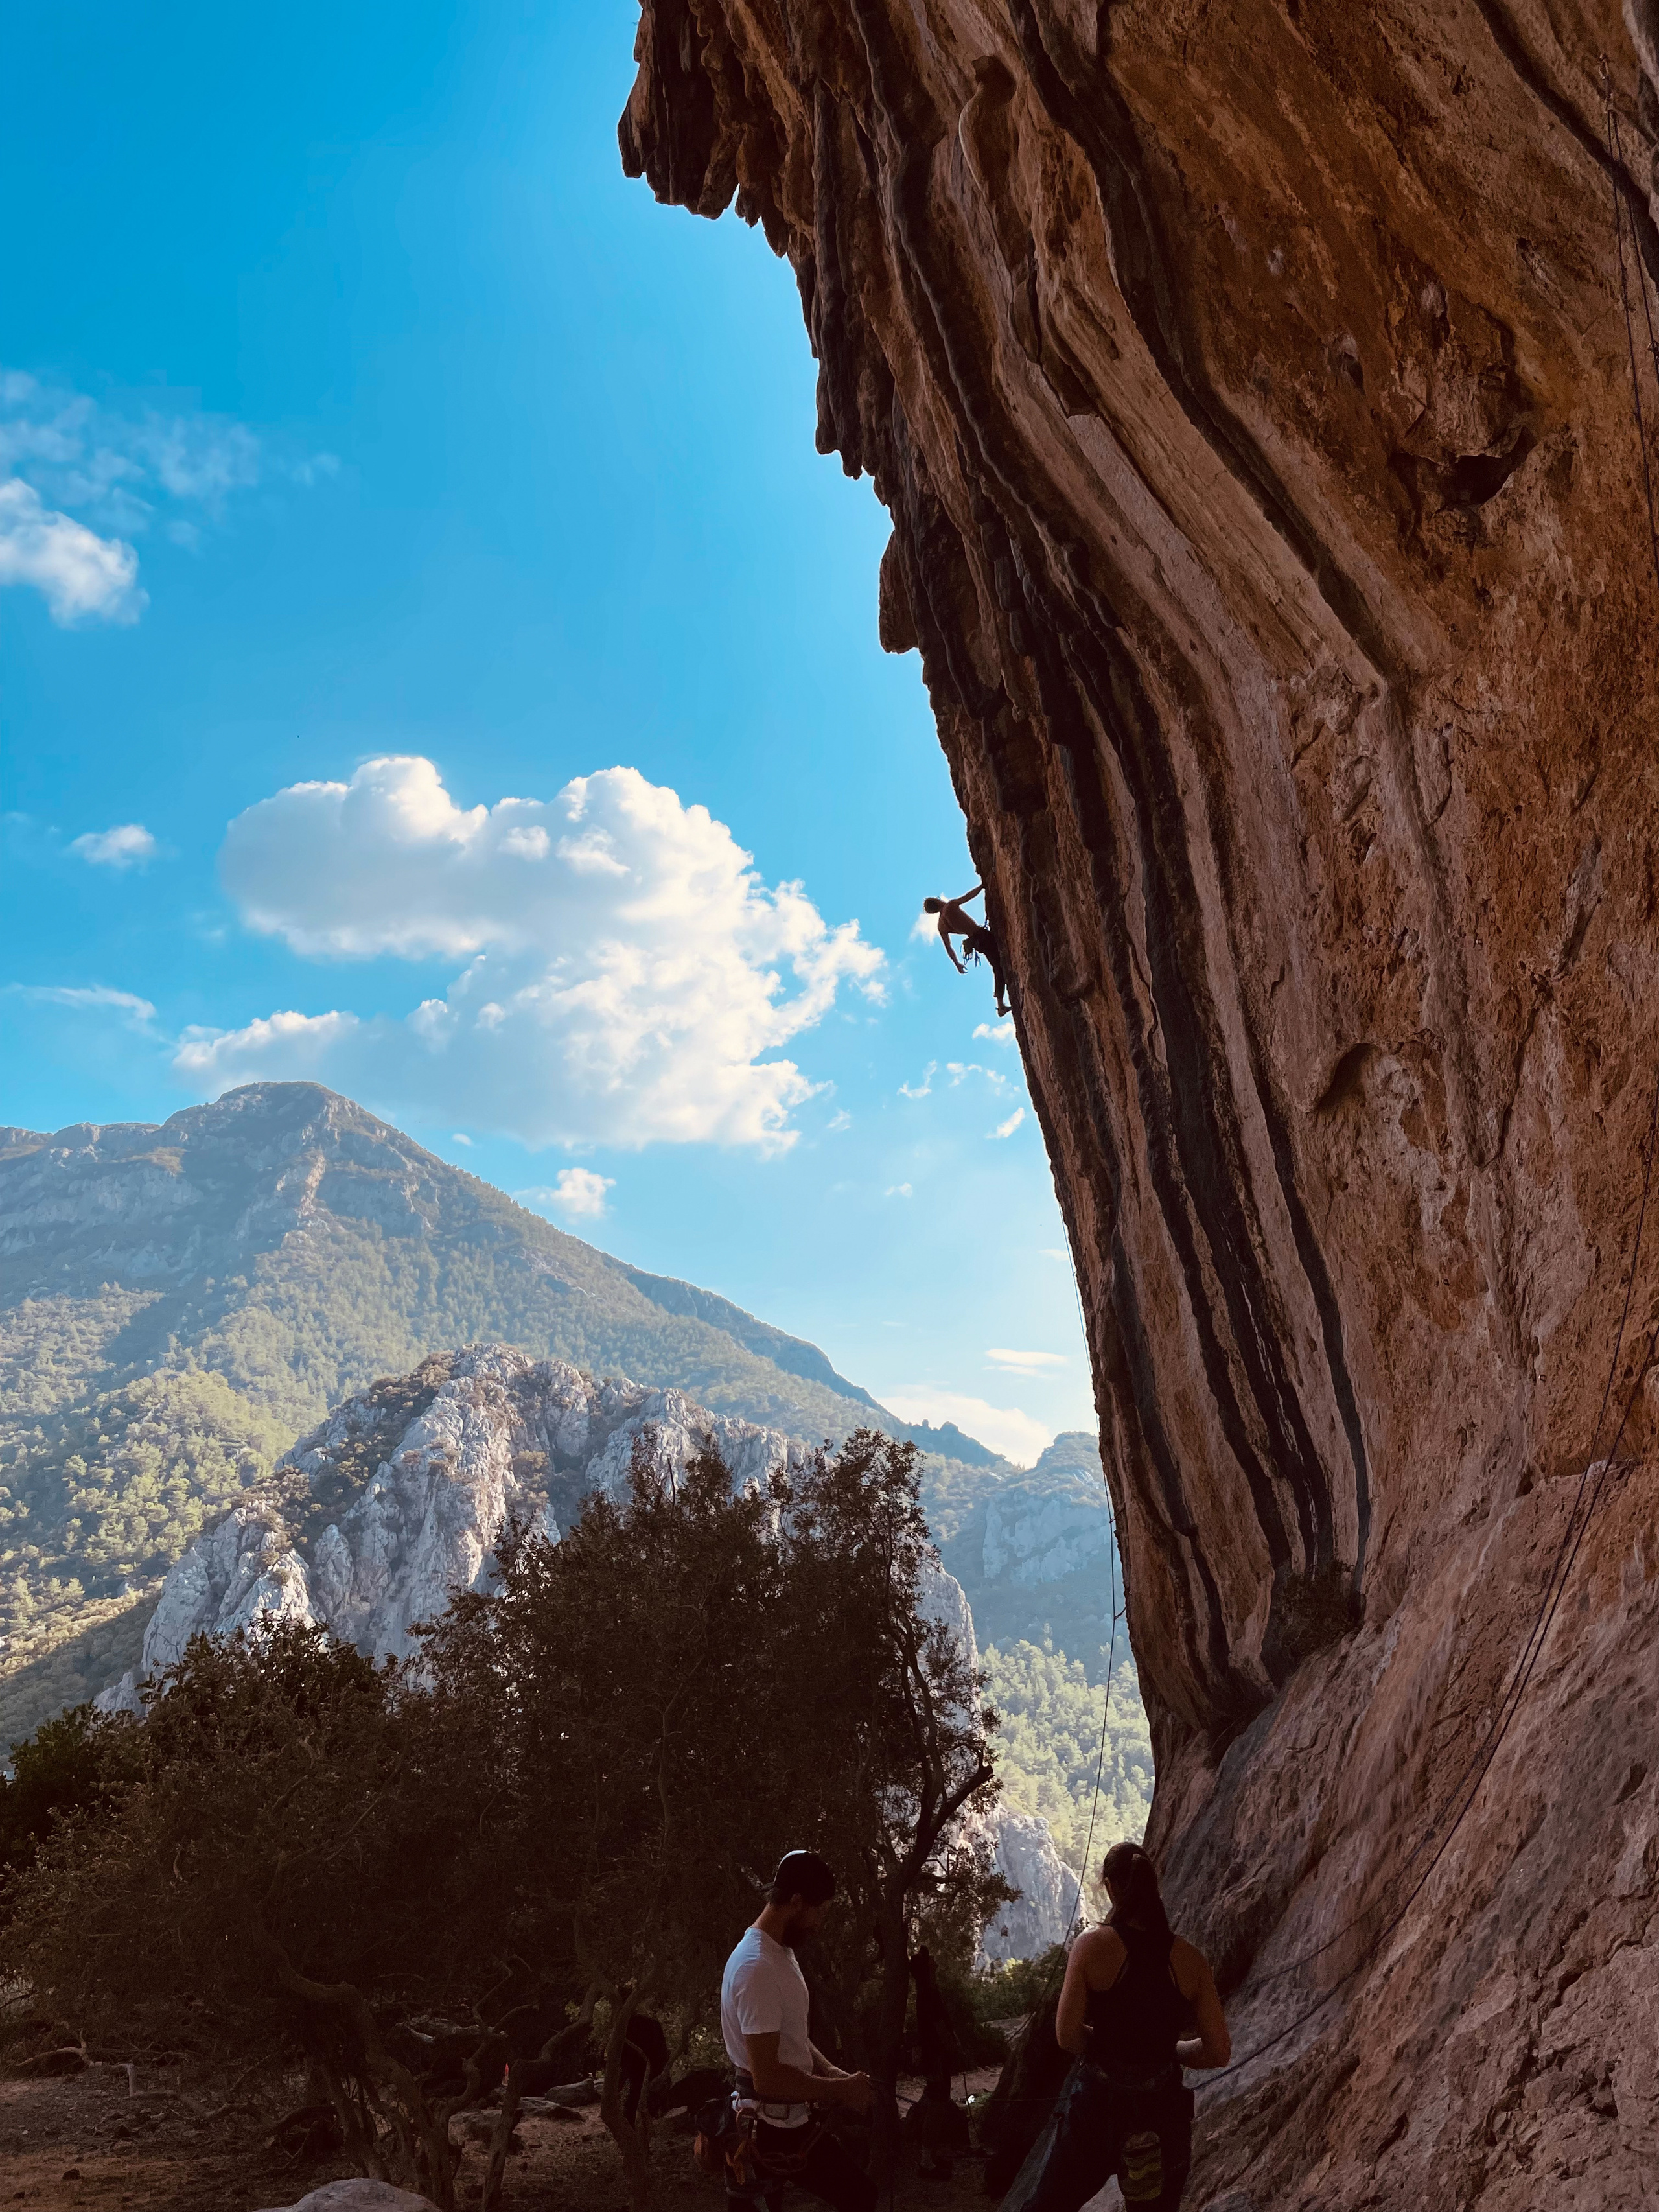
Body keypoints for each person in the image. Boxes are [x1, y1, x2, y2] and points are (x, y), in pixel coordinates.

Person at [1019, 1840, 1230, 2211]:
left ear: (1111, 1887)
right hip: (1162, 2115)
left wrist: (1112, 2045)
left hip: (1096, 2114)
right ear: (1152, 1886)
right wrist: (1167, 2050)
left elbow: (1067, 2036)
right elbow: (1217, 2051)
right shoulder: (1189, 1959)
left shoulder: (1091, 1947)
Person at [717, 1849, 876, 2211]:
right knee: (861, 2196)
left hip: (784, 2123)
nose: (819, 1923)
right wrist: (839, 2091)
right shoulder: (756, 1967)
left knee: (861, 2196)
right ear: (797, 1901)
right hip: (764, 2128)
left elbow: (789, 2034)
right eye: (818, 1911)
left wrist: (832, 2071)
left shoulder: (778, 1952)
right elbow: (768, 2079)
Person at [923, 886, 1010, 1017]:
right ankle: (1001, 1005)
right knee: (999, 967)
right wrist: (983, 886)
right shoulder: (950, 906)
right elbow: (968, 896)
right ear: (937, 902)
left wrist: (957, 964)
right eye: (938, 899)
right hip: (981, 935)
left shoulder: (941, 926)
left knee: (997, 966)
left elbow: (948, 947)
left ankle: (1001, 1004)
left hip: (976, 942)